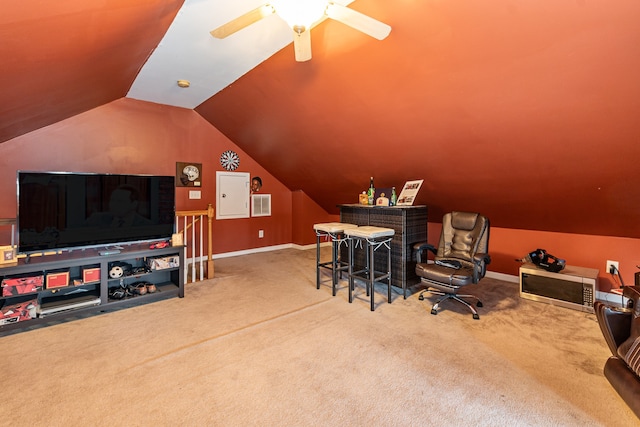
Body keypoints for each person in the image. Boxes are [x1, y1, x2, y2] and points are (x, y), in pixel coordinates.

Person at [85, 185, 152, 227]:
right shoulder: (95, 219)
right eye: (112, 200)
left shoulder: (146, 225)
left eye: (120, 201)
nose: (113, 205)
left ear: (134, 204)